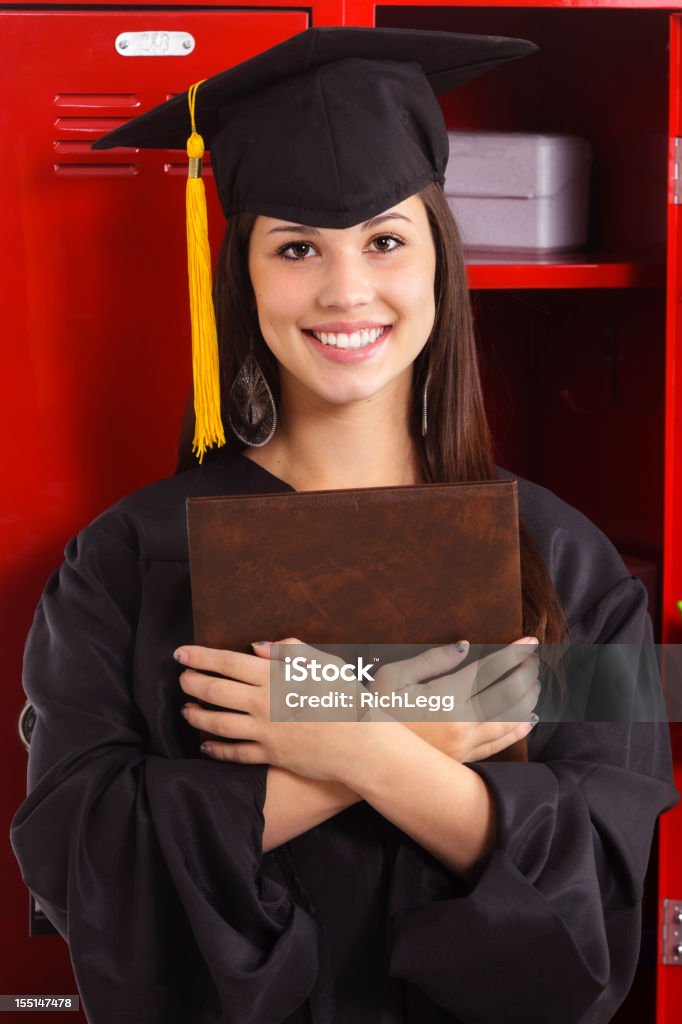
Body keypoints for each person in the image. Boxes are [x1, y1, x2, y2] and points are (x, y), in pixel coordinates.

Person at [10, 25, 678, 1024]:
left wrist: (358, 744)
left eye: (384, 240)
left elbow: (603, 899)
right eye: (295, 248)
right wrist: (413, 725)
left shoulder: (570, 559)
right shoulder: (124, 561)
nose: (345, 290)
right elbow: (81, 863)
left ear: (437, 260)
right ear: (241, 273)